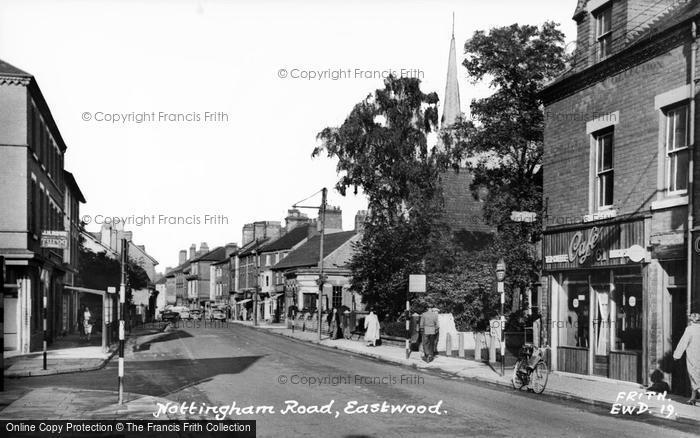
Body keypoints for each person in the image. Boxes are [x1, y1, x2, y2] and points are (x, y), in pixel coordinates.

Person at [673, 313, 700, 405]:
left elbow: (683, 343)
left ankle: (694, 397)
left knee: (694, 376)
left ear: (691, 321)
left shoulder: (690, 329)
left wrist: (676, 355)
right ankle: (693, 398)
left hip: (693, 356)